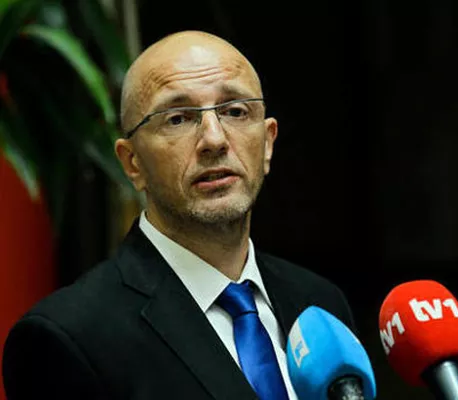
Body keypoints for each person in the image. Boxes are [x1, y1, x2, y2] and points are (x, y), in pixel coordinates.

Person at [2, 31, 355, 400]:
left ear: (267, 143)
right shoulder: (69, 337)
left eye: (235, 111)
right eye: (178, 119)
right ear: (132, 162)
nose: (215, 140)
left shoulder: (320, 305)